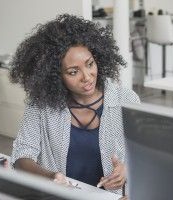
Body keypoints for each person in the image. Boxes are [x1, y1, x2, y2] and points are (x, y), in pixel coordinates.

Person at [9, 14, 140, 195]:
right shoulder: (40, 105)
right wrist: (51, 177)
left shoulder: (126, 100)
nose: (86, 77)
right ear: (55, 76)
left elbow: (145, 157)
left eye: (90, 64)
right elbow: (21, 156)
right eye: (73, 72)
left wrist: (126, 170)